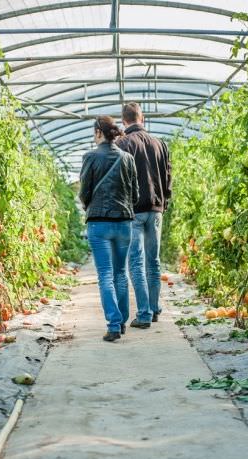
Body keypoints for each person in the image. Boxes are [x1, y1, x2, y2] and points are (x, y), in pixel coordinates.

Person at [79, 115, 139, 342]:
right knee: (120, 273)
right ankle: (121, 321)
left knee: (105, 274)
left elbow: (85, 191)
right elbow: (135, 195)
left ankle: (114, 324)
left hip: (99, 222)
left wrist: (89, 205)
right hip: (124, 222)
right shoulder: (127, 158)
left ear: (98, 133)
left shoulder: (91, 157)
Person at [116, 102, 172, 328]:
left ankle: (144, 314)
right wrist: (163, 203)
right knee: (154, 261)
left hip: (135, 211)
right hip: (156, 209)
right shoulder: (160, 144)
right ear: (143, 118)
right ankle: (155, 308)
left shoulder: (122, 144)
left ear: (123, 121)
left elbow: (119, 180)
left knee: (136, 263)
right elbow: (168, 178)